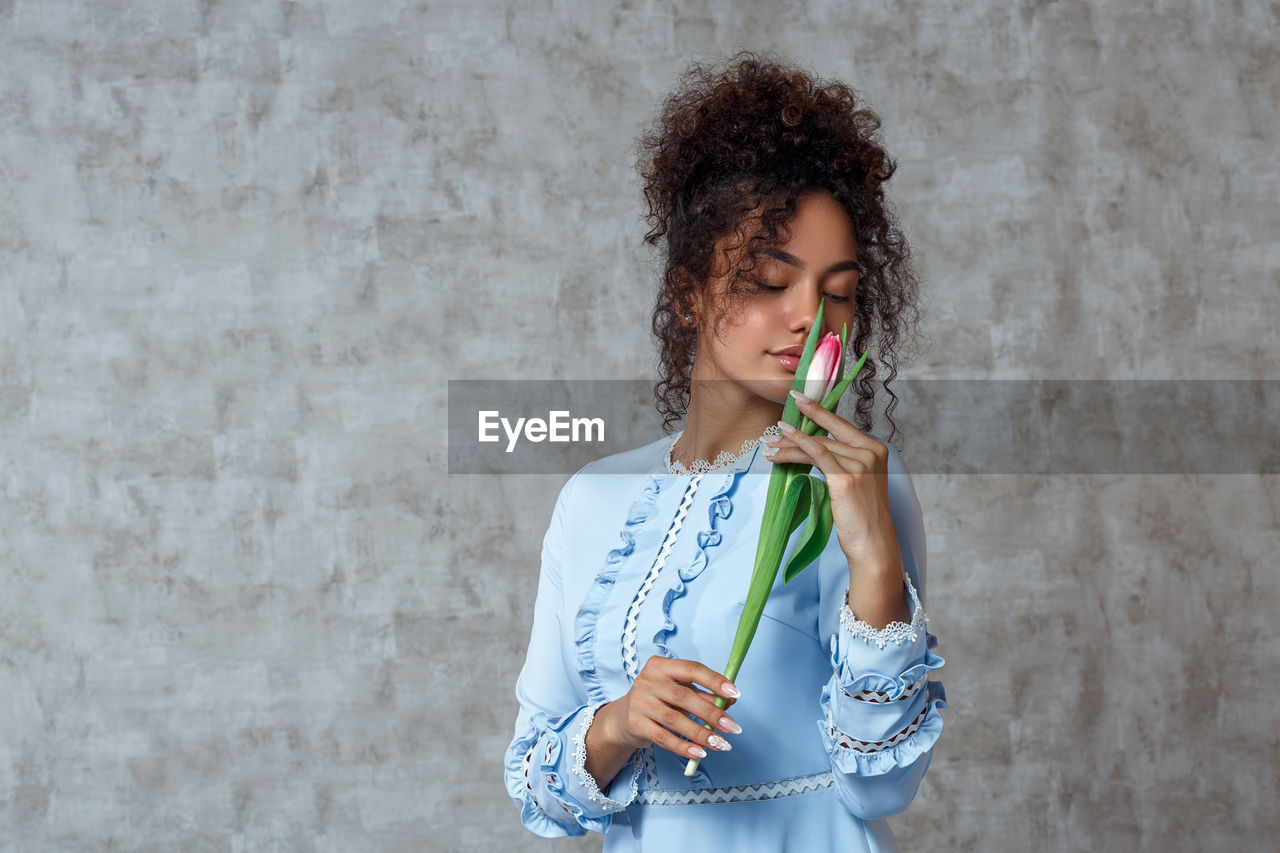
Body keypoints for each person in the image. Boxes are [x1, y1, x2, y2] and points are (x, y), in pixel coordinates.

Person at [503, 51, 946, 852]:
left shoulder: (856, 483)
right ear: (687, 296)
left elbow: (882, 783)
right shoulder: (593, 497)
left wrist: (876, 556)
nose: (809, 317)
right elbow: (536, 781)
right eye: (770, 281)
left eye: (839, 292)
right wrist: (618, 723)